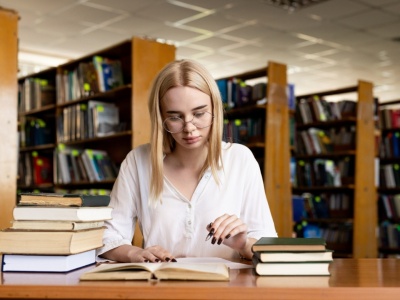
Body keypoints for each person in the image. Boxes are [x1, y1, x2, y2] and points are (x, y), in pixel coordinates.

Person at [98, 59, 277, 263]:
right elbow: (108, 236)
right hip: (160, 287)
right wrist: (134, 253)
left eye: (199, 114)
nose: (189, 128)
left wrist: (244, 245)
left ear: (215, 110)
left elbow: (268, 245)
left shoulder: (240, 159)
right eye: (175, 117)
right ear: (160, 117)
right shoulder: (138, 161)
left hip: (226, 290)